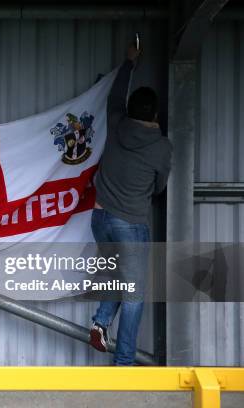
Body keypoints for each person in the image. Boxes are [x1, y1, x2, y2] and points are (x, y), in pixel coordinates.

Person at [88, 43, 172, 365]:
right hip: (130, 223)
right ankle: (124, 361)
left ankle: (100, 322)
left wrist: (129, 63)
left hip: (99, 219)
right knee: (135, 294)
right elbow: (160, 187)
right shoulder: (162, 147)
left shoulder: (116, 123)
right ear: (154, 115)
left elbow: (114, 97)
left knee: (116, 277)